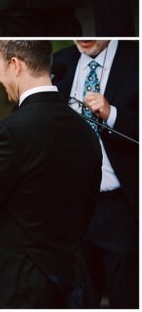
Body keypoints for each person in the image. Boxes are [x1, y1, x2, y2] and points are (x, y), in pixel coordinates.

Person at [0, 40, 102, 307]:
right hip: (74, 285)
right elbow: (87, 209)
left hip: (19, 288)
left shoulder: (8, 133)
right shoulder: (86, 132)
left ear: (15, 65)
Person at [53, 39, 138, 308]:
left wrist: (111, 113)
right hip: (71, 206)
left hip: (120, 205)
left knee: (126, 295)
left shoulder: (135, 56)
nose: (84, 38)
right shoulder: (59, 62)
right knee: (78, 297)